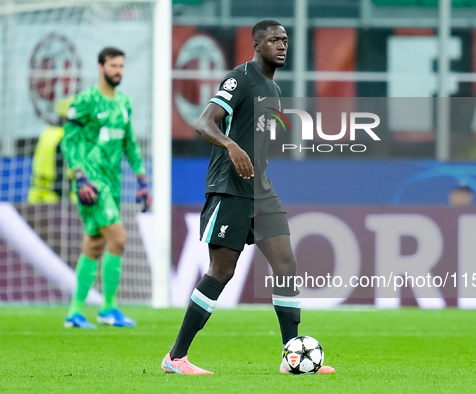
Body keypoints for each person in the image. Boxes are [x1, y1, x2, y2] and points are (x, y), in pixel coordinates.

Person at [161, 20, 335, 375]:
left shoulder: (272, 87)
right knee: (221, 271)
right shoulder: (239, 78)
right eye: (273, 40)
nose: (281, 45)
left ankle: (291, 357)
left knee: (286, 263)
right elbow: (204, 121)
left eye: (285, 40)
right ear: (257, 45)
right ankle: (176, 357)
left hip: (260, 188)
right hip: (230, 187)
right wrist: (231, 146)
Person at [61, 47, 151, 329]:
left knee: (95, 243)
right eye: (113, 66)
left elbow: (129, 144)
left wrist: (142, 180)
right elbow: (69, 140)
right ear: (100, 67)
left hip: (113, 183)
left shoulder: (124, 102)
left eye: (121, 66)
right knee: (119, 239)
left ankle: (75, 312)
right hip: (91, 182)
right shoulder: (87, 99)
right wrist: (79, 175)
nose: (118, 71)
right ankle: (108, 308)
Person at [28, 96, 76, 204]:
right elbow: (61, 179)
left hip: (39, 198)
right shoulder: (64, 139)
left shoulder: (48, 134)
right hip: (55, 202)